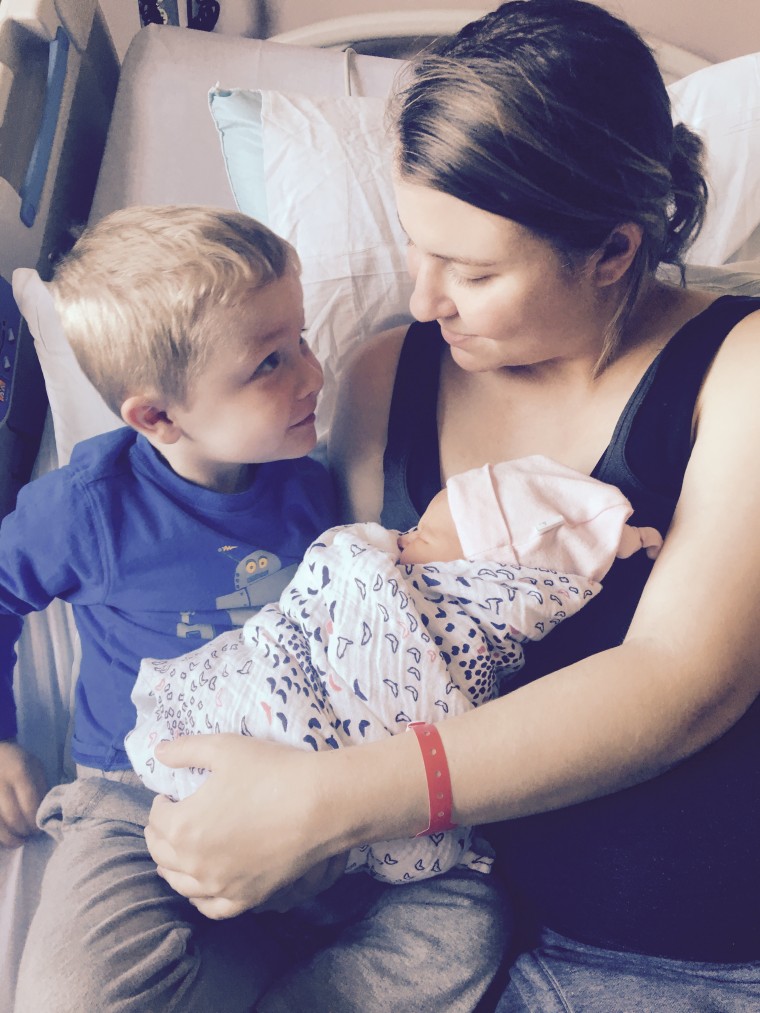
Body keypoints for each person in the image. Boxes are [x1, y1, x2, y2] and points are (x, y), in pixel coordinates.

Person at [140, 2, 760, 1011]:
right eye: (417, 251)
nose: (427, 296)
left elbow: (678, 682)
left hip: (686, 956)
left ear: (612, 250)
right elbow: (347, 632)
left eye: (473, 271)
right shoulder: (385, 376)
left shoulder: (739, 367)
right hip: (436, 929)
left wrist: (324, 803)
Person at [11, 206, 509, 1013]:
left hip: (317, 787)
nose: (313, 374)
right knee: (66, 999)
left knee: (470, 918)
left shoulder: (316, 487)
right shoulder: (87, 509)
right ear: (157, 416)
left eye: (304, 340)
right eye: (269, 363)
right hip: (144, 799)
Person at [127, 455, 661, 883]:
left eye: (423, 539)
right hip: (265, 690)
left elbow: (433, 705)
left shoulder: (460, 624)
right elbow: (312, 606)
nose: (399, 539)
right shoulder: (370, 548)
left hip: (313, 813)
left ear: (481, 578)